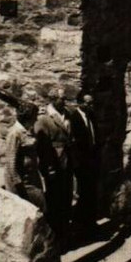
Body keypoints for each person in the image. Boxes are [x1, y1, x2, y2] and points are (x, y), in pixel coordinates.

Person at [35, 88, 73, 241]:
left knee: (67, 196)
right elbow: (42, 146)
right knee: (54, 199)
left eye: (64, 99)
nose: (64, 101)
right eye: (62, 99)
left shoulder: (67, 114)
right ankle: (56, 235)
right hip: (54, 164)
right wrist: (48, 167)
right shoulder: (44, 119)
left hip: (67, 161)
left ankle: (65, 230)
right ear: (53, 99)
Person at [4, 99, 46, 212]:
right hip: (22, 184)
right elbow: (10, 160)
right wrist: (18, 185)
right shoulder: (15, 133)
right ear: (28, 116)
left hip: (31, 178)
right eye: (34, 116)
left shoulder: (26, 130)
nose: (36, 119)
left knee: (39, 207)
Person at [69, 91, 100, 236]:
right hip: (81, 162)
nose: (91, 105)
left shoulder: (91, 116)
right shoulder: (73, 118)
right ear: (80, 103)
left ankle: (90, 222)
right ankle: (80, 223)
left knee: (91, 192)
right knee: (83, 192)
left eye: (92, 103)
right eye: (88, 103)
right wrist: (77, 163)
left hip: (92, 160)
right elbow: (73, 143)